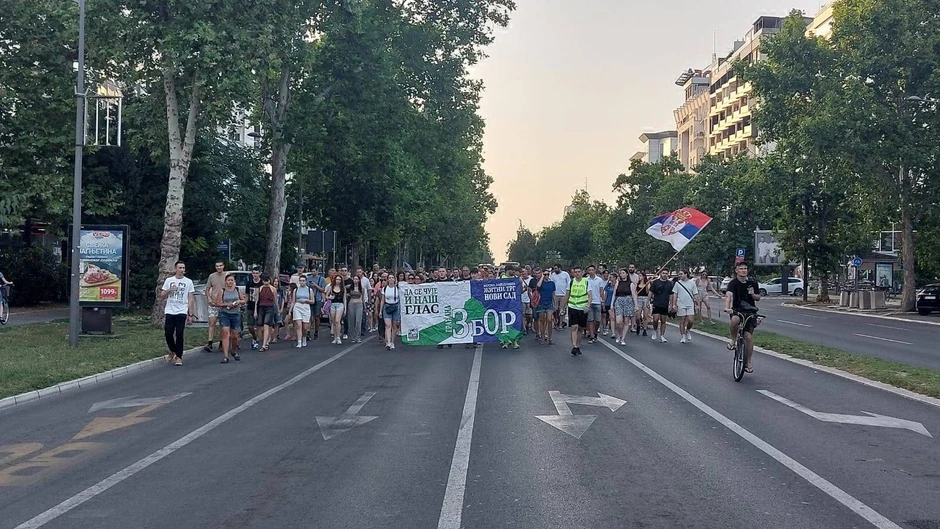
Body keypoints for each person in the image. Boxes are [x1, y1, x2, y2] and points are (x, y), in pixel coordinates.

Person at [725, 262, 761, 373]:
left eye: (745, 268)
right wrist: (727, 307)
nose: (743, 270)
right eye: (741, 269)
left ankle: (748, 362)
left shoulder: (752, 283)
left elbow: (758, 297)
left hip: (750, 311)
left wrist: (752, 294)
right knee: (735, 320)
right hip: (737, 309)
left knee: (748, 337)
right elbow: (728, 295)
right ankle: (732, 339)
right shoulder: (733, 283)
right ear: (736, 271)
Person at [159, 261, 195, 366]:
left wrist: (190, 314)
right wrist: (169, 289)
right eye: (180, 268)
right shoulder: (169, 280)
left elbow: (191, 298)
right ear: (176, 269)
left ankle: (179, 356)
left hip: (182, 310)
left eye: (183, 268)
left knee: (179, 334)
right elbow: (162, 295)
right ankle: (173, 350)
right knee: (168, 333)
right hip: (170, 310)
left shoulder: (188, 282)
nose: (182, 270)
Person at [214, 273, 244, 362]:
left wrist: (239, 302)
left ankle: (234, 351)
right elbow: (217, 303)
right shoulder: (222, 291)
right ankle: (225, 356)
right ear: (225, 281)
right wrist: (227, 304)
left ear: (234, 281)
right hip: (225, 313)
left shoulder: (237, 290)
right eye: (228, 280)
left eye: (232, 280)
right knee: (226, 334)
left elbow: (243, 300)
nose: (230, 282)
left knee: (234, 336)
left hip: (235, 314)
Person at [564, 266, 589, 355]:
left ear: (582, 272)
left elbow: (590, 294)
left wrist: (588, 305)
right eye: (575, 272)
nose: (577, 273)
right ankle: (574, 346)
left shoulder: (586, 281)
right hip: (572, 306)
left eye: (579, 272)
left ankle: (578, 345)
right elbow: (567, 294)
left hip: (582, 307)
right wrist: (563, 307)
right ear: (573, 273)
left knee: (581, 328)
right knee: (574, 326)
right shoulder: (571, 282)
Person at [204, 261, 227, 353]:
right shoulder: (212, 276)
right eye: (217, 266)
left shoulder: (227, 276)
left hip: (223, 304)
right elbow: (207, 289)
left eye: (220, 266)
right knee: (212, 323)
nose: (219, 267)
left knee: (223, 324)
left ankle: (222, 342)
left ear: (223, 266)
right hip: (213, 303)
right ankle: (210, 343)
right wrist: (209, 298)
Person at [612, 268, 639, 346]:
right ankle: (619, 333)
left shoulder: (631, 283)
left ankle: (623, 338)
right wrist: (612, 304)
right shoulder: (618, 283)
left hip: (628, 301)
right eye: (621, 273)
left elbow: (634, 294)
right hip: (619, 301)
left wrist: (636, 305)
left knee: (626, 321)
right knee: (618, 322)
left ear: (627, 274)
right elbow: (614, 294)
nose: (622, 274)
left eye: (623, 273)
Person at [672, 270, 699, 344]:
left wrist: (697, 304)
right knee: (682, 320)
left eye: (681, 274)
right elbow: (675, 294)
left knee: (690, 320)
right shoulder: (677, 283)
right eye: (679, 274)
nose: (679, 275)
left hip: (690, 303)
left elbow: (695, 294)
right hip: (681, 303)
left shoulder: (692, 283)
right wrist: (674, 304)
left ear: (686, 274)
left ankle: (688, 330)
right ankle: (683, 336)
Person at [532, 267, 556, 345]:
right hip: (541, 303)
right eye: (544, 274)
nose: (546, 276)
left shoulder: (552, 283)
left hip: (549, 303)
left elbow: (553, 293)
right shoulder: (540, 282)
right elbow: (538, 286)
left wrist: (555, 303)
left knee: (549, 320)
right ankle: (542, 337)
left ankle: (550, 338)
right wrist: (542, 277)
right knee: (542, 320)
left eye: (547, 274)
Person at [650, 269, 673, 343]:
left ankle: (662, 335)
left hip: (665, 304)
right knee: (655, 319)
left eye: (666, 273)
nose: (665, 275)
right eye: (663, 273)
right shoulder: (655, 282)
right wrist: (648, 301)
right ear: (660, 273)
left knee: (663, 320)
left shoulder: (670, 284)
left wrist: (671, 304)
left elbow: (671, 295)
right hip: (656, 303)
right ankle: (655, 330)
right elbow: (651, 292)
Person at [256, 274, 279, 351]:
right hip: (261, 308)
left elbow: (276, 301)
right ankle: (266, 340)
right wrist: (255, 311)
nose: (266, 283)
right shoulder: (260, 288)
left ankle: (264, 345)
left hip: (270, 308)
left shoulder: (273, 289)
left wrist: (278, 311)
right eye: (264, 281)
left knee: (266, 325)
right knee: (261, 326)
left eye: (267, 281)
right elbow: (257, 300)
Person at [292, 275, 314, 348]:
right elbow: (293, 301)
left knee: (305, 327)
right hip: (297, 307)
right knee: (298, 325)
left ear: (306, 281)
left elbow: (312, 301)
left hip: (306, 307)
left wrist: (306, 300)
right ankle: (299, 342)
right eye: (300, 280)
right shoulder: (296, 290)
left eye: (303, 281)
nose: (302, 282)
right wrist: (290, 310)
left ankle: (304, 338)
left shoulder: (309, 290)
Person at [585, 265, 605, 344]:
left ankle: (595, 331)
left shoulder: (599, 280)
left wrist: (602, 301)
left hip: (597, 301)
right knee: (590, 320)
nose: (591, 271)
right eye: (589, 270)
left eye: (592, 270)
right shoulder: (586, 280)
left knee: (597, 320)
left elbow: (601, 291)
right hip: (589, 302)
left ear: (595, 270)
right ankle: (592, 335)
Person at [245, 267, 264, 349]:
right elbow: (247, 295)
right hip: (250, 305)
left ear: (260, 273)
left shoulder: (262, 283)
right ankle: (254, 337)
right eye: (254, 273)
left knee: (259, 324)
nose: (255, 275)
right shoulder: (249, 283)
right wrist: (245, 302)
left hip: (261, 306)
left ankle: (258, 341)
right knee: (250, 326)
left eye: (257, 273)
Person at [381, 275, 401, 350]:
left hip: (395, 306)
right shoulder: (385, 288)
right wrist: (380, 310)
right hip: (387, 307)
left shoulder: (398, 288)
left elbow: (400, 300)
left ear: (395, 279)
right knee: (388, 325)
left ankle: (392, 342)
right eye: (389, 278)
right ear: (387, 280)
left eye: (392, 278)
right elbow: (382, 300)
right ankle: (388, 342)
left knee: (394, 326)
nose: (391, 279)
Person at [550, 264, 571, 330]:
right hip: (555, 294)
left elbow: (569, 283)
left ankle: (560, 324)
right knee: (555, 309)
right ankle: (556, 321)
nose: (555, 270)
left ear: (559, 268)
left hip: (563, 294)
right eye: (554, 268)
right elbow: (551, 283)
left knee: (562, 310)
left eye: (556, 268)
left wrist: (567, 293)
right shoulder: (552, 275)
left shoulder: (565, 274)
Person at [307, 267, 326, 340]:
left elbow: (323, 290)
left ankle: (316, 332)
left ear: (317, 271)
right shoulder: (308, 278)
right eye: (312, 271)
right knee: (310, 316)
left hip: (318, 298)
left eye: (314, 271)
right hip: (310, 298)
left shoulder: (321, 279)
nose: (313, 273)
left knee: (317, 316)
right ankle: (308, 332)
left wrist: (315, 285)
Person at [327, 274, 347, 345]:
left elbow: (344, 299)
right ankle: (335, 337)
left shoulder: (343, 288)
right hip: (333, 304)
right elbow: (326, 295)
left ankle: (338, 337)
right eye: (337, 279)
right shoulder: (331, 287)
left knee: (337, 320)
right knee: (333, 322)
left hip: (340, 304)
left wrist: (345, 308)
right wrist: (330, 297)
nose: (338, 281)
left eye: (339, 280)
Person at [347, 275, 365, 343]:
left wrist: (364, 306)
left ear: (359, 280)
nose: (355, 280)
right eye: (354, 279)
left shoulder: (362, 288)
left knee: (358, 321)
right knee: (351, 321)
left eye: (357, 279)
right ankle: (352, 337)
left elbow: (362, 298)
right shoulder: (350, 287)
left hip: (359, 304)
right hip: (351, 304)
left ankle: (358, 336)